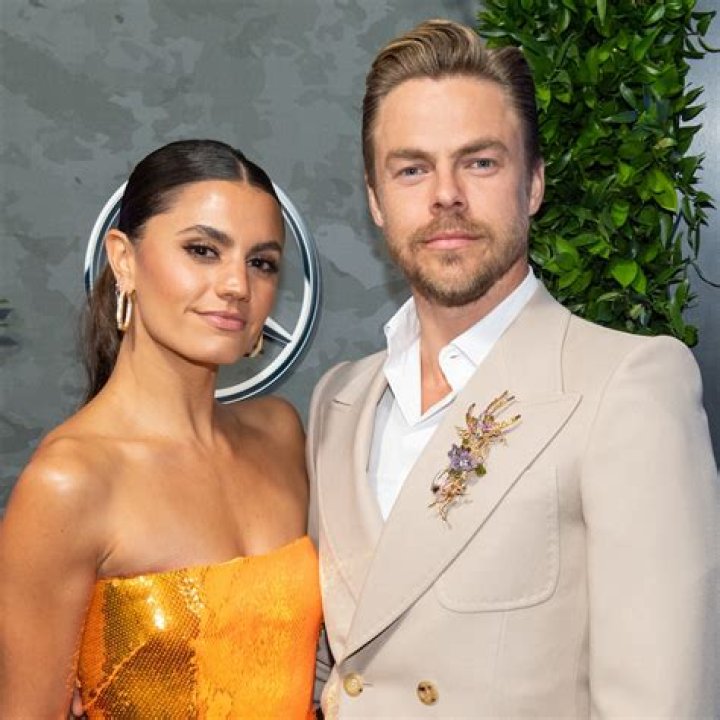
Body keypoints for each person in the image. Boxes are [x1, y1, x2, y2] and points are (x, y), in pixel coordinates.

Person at [307, 19, 718, 718]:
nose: (445, 195)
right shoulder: (338, 401)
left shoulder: (626, 386)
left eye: (479, 162)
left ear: (532, 184)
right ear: (375, 199)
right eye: (412, 169)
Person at [0, 139, 322, 719]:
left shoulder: (280, 435)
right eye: (203, 250)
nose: (236, 285)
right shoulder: (70, 481)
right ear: (124, 260)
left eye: (261, 262)